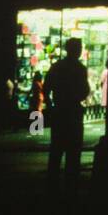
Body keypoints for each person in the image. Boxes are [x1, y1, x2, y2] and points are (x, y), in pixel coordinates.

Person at [43, 38, 89, 193]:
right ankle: (71, 184)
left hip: (60, 110)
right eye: (79, 47)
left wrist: (51, 106)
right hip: (73, 111)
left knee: (56, 149)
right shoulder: (80, 68)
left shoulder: (57, 67)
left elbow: (46, 88)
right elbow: (85, 90)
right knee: (74, 151)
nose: (80, 50)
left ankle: (52, 183)